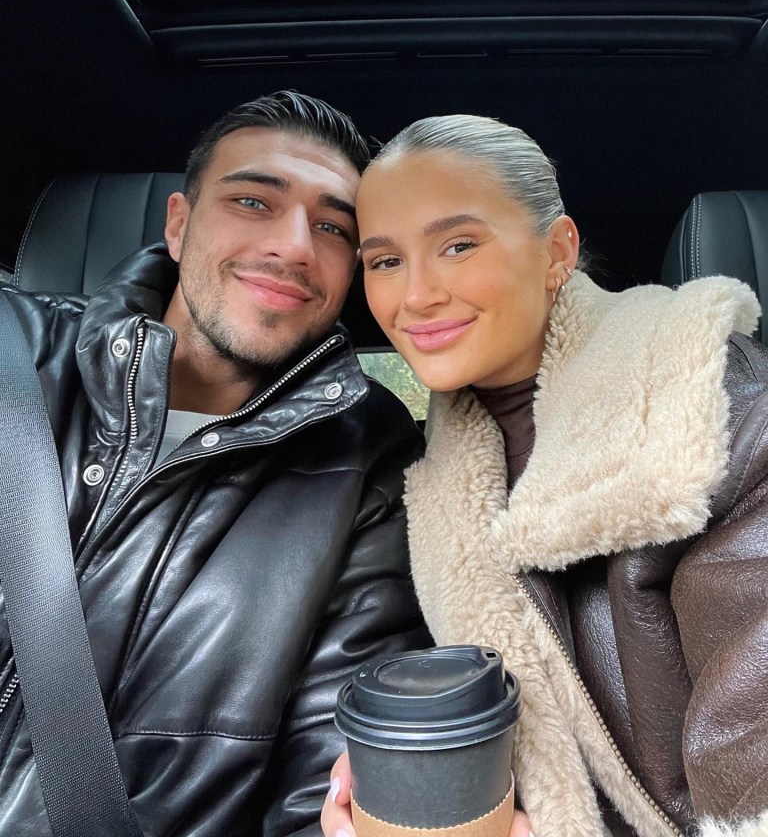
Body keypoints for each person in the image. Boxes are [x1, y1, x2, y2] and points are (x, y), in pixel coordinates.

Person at [323, 114, 768, 837]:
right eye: (384, 261)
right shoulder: (441, 477)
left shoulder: (714, 406)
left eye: (458, 245)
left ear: (558, 251)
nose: (416, 296)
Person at [0, 91, 430, 837]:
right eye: (254, 201)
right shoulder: (11, 351)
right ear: (179, 223)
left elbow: (327, 779)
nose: (297, 245)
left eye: (333, 226)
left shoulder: (367, 464)